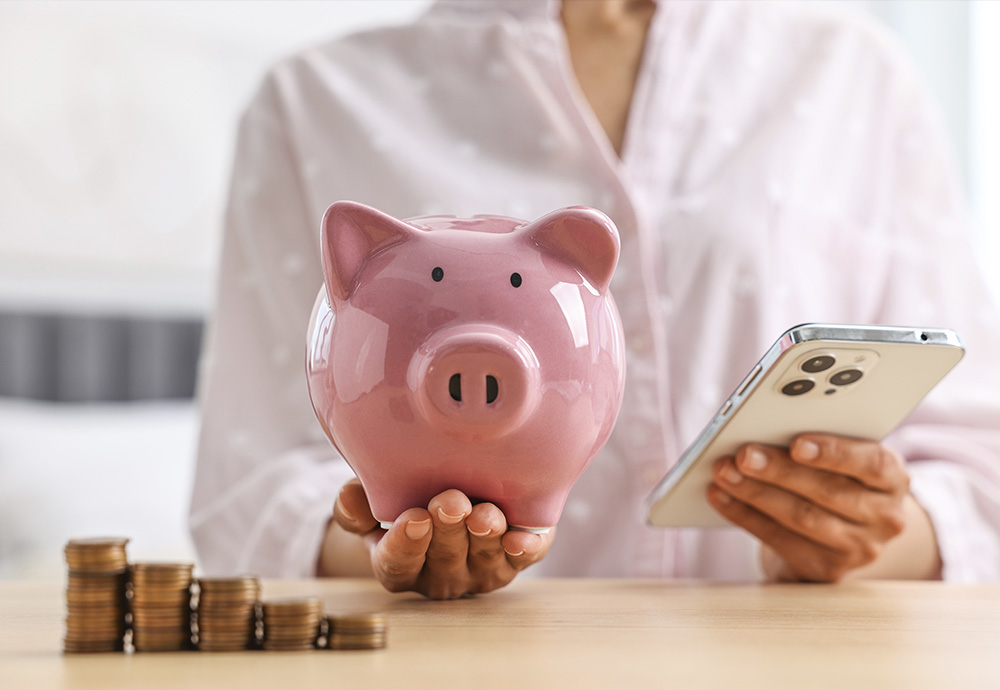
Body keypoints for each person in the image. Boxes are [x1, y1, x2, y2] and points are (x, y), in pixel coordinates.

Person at [190, 0, 1000, 599]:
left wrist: (857, 539)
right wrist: (391, 550)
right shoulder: (313, 102)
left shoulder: (853, 73)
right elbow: (245, 493)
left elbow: (978, 464)